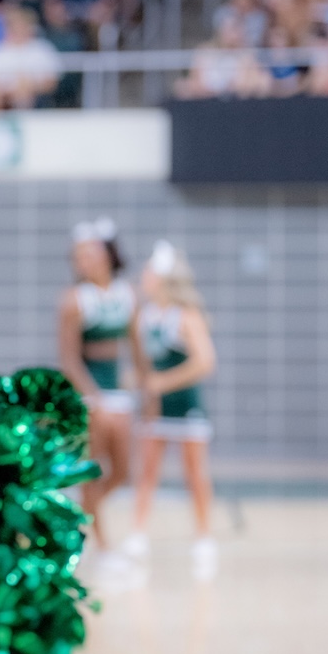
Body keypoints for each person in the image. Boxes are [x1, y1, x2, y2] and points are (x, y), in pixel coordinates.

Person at [126, 241, 217, 579]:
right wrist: (141, 382)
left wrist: (163, 383)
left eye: (149, 273)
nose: (144, 278)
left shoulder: (187, 317)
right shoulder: (145, 317)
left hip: (187, 407)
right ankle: (137, 533)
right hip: (155, 411)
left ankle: (204, 537)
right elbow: (144, 365)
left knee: (195, 474)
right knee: (147, 471)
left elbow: (205, 361)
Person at [58, 218, 137, 557]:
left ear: (106, 254)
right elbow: (70, 359)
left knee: (122, 472)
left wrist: (145, 387)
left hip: (119, 396)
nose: (82, 261)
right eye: (77, 256)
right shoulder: (75, 300)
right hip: (89, 395)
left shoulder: (126, 294)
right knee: (93, 468)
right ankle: (101, 543)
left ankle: (77, 517)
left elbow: (137, 348)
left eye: (88, 254)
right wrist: (94, 398)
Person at [0, 6, 60, 109]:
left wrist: (30, 85)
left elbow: (51, 83)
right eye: (15, 26)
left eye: (22, 26)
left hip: (34, 93)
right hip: (3, 94)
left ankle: (23, 121)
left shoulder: (43, 49)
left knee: (23, 91)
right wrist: (8, 90)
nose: (18, 30)